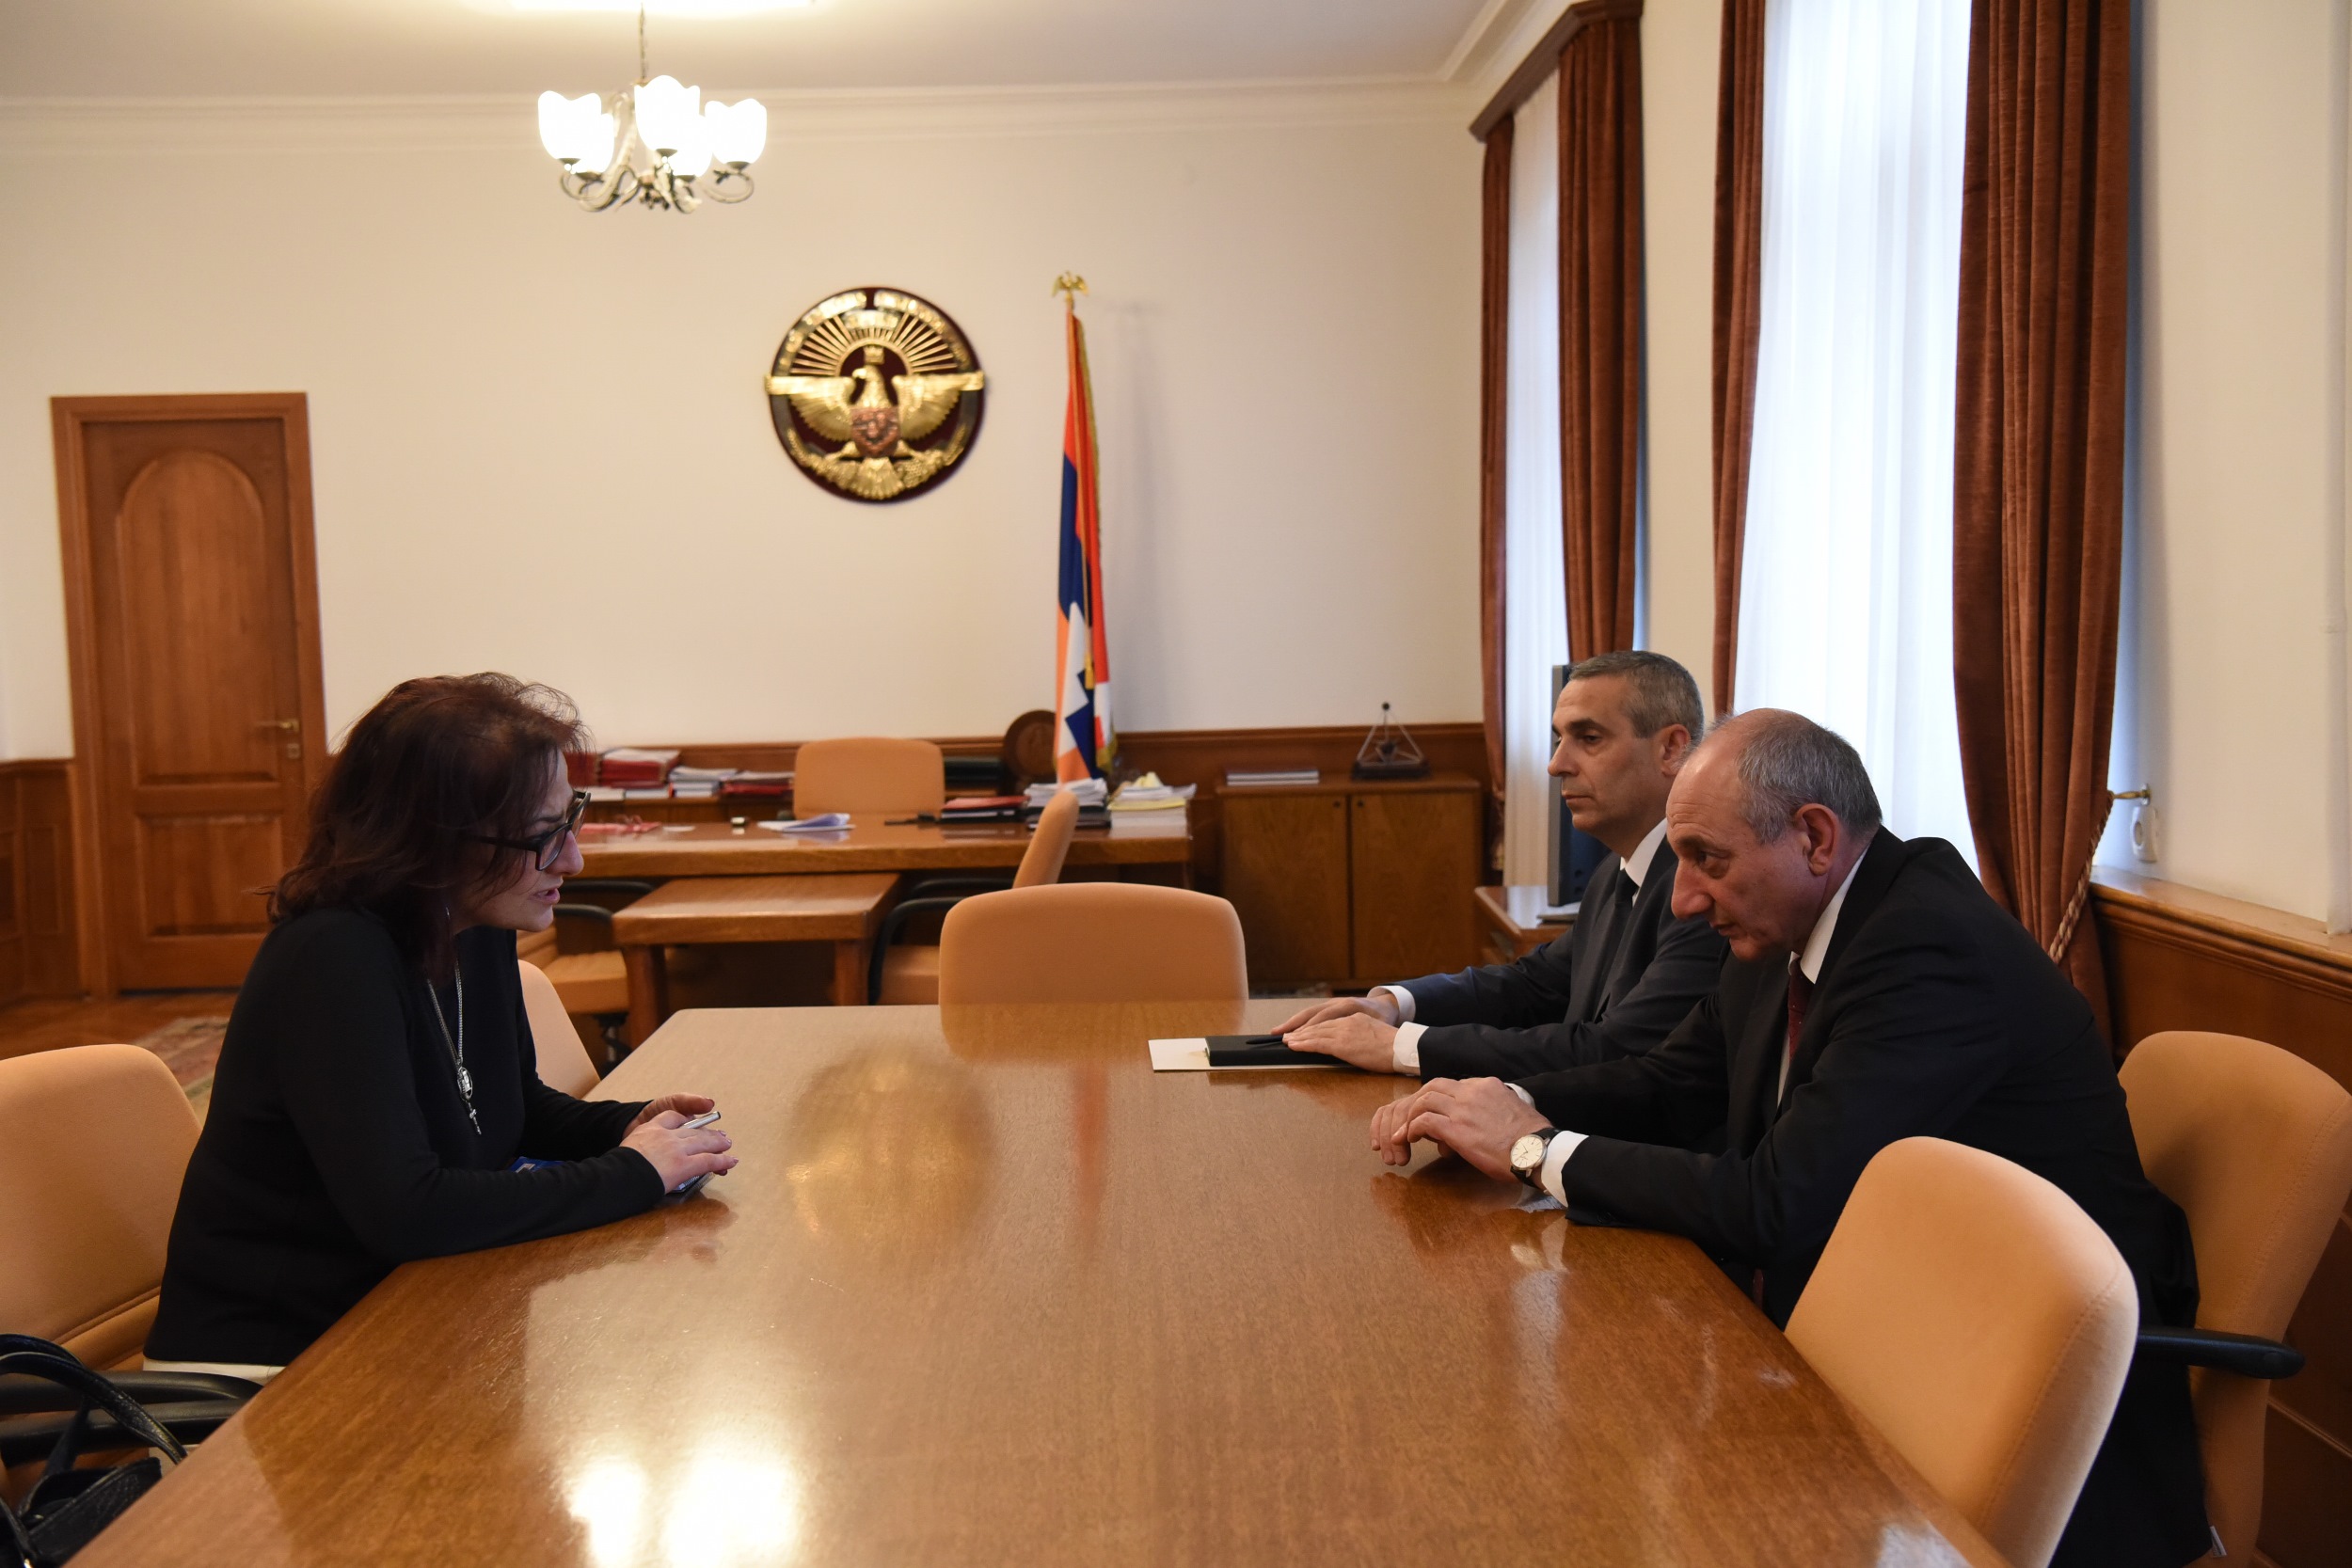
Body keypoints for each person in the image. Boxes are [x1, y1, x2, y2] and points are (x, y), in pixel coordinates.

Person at [1372, 709, 2207, 1567]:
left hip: (2008, 1402)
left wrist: (1531, 1150)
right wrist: (1492, 1102)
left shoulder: (1926, 948)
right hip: (1877, 1327)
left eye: (1708, 859)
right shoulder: (1798, 921)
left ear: (1813, 836)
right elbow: (1666, 1081)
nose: (1687, 899)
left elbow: (1780, 1202)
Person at [146, 674, 738, 1376]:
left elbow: (510, 1109)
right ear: (435, 844)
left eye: (568, 820)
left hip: (403, 1315)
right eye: (543, 837)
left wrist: (626, 1124)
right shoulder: (330, 958)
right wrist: (631, 1173)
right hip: (268, 1370)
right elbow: (408, 1211)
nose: (572, 858)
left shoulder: (474, 923)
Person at [1279, 650, 1725, 1079]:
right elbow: (1535, 984)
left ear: (1671, 749)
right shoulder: (1618, 869)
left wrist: (1399, 1046)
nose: (1555, 765)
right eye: (1558, 740)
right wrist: (1393, 1004)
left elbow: (1611, 1052)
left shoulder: (1704, 895)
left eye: (1589, 739)